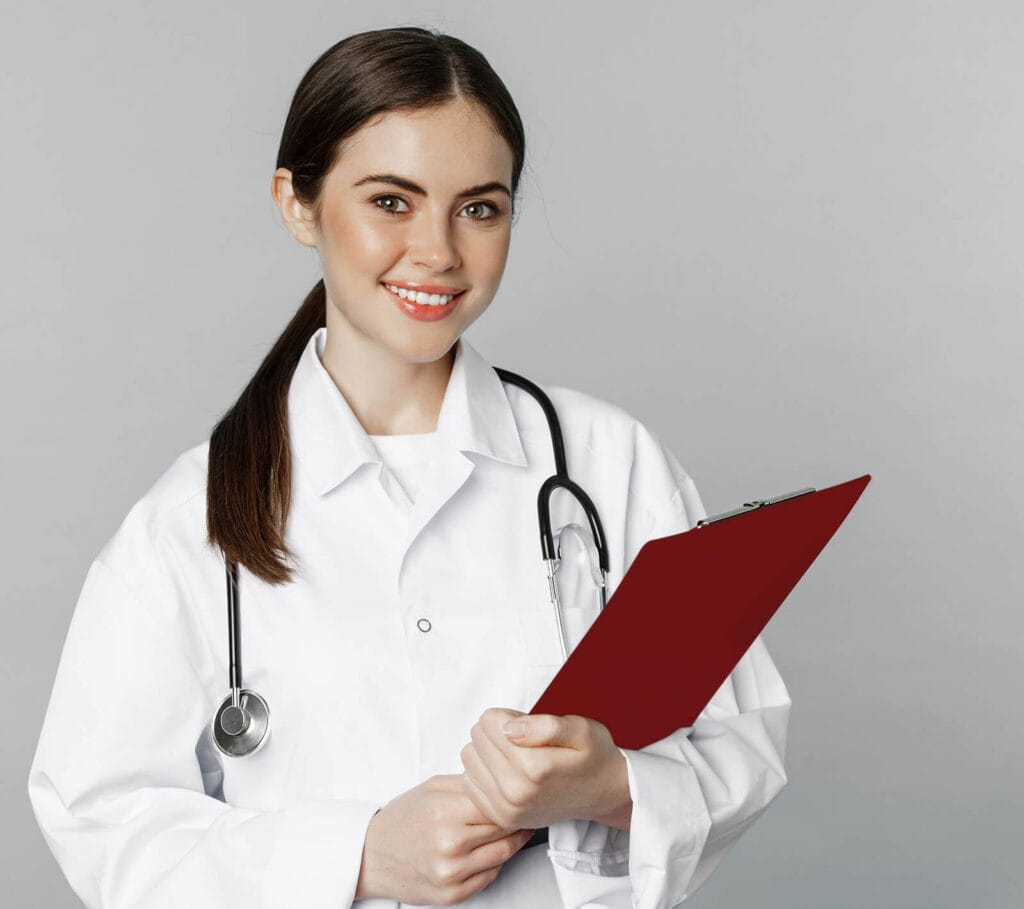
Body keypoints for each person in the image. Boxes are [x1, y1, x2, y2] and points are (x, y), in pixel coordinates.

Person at [27, 26, 791, 909]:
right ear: (297, 204)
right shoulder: (187, 519)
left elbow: (743, 741)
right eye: (391, 201)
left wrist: (608, 785)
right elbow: (101, 819)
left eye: (479, 208)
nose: (438, 251)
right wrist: (358, 855)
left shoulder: (607, 463)